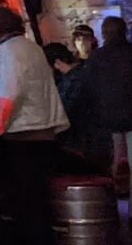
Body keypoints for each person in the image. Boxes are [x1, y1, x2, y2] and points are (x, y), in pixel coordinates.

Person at [0, 5, 69, 245]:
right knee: (37, 200)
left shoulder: (9, 51)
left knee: (28, 202)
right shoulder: (30, 46)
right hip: (45, 135)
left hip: (25, 137)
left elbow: (10, 91)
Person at [90, 14, 132, 227]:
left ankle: (108, 212)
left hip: (107, 117)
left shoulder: (96, 58)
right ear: (124, 32)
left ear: (104, 33)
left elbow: (90, 89)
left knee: (112, 165)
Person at [43, 42, 111, 175]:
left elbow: (65, 111)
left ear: (57, 63)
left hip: (83, 143)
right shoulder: (81, 76)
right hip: (93, 140)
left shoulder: (74, 81)